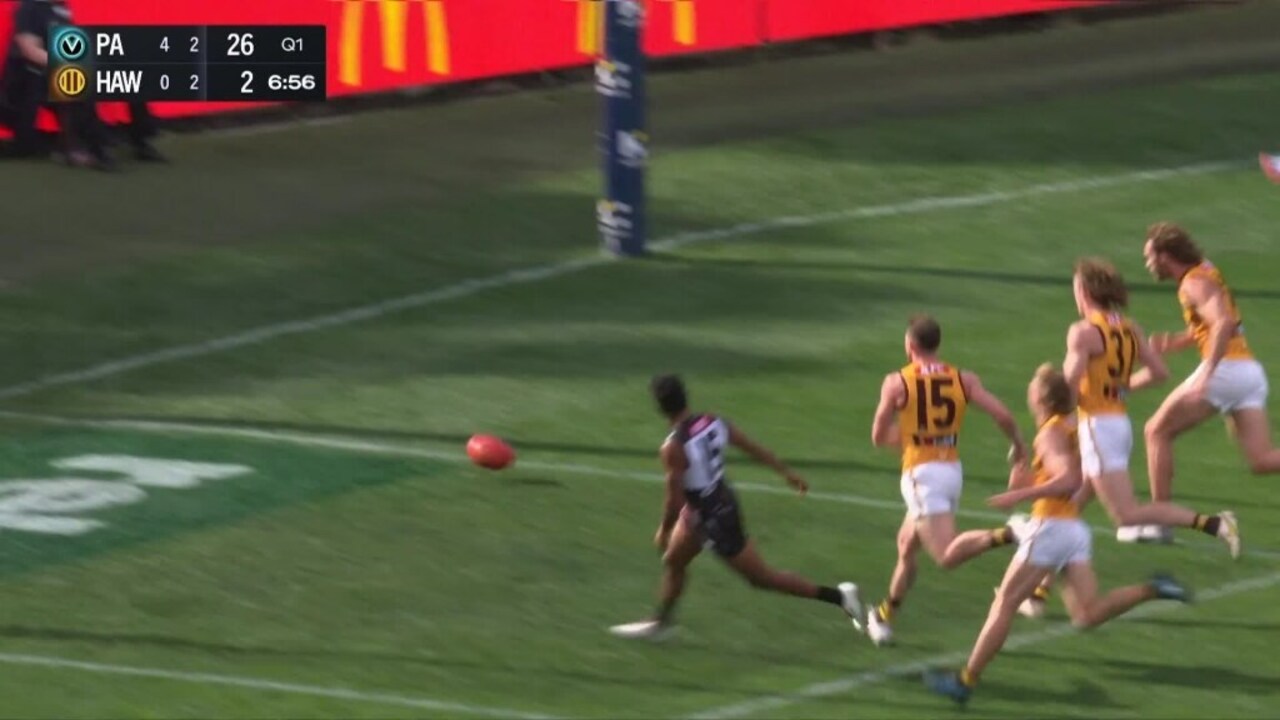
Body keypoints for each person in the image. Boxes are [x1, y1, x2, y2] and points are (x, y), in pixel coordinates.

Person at [923, 363, 1192, 705]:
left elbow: (1068, 479)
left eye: (1033, 388)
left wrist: (1018, 496)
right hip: (1073, 531)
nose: (1029, 392)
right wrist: (1023, 475)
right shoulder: (1075, 425)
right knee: (1087, 614)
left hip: (1049, 528)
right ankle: (1153, 588)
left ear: (1042, 399)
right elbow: (1078, 475)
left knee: (1004, 604)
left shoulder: (1050, 433)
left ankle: (965, 681)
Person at [1021, 258, 1239, 618]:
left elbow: (1070, 390)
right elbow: (1158, 372)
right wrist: (1119, 390)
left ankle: (1214, 524)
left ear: (1086, 291)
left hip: (1095, 429)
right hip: (1117, 424)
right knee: (1068, 506)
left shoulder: (1082, 332)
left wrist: (1058, 426)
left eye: (1076, 288)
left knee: (1126, 515)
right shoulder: (1130, 328)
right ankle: (1038, 591)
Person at [609, 374, 865, 641]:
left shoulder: (673, 447)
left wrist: (663, 530)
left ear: (660, 408)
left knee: (762, 579)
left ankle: (841, 597)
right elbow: (752, 447)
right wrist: (785, 472)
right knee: (674, 561)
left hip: (714, 518)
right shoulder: (712, 421)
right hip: (712, 503)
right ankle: (661, 622)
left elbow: (673, 498)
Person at [865, 314, 1028, 646]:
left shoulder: (897, 382)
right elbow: (1003, 415)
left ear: (910, 346)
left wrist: (910, 438)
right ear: (937, 345)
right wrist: (1019, 448)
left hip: (921, 475)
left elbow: (879, 436)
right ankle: (884, 616)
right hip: (951, 471)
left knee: (945, 555)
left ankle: (1012, 532)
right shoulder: (963, 379)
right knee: (906, 546)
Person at [1142, 223, 1277, 534]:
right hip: (1249, 373)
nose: (1148, 264)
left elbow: (1223, 323)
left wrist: (1207, 371)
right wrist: (1177, 341)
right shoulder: (1204, 273)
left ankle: (1161, 523)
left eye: (1150, 257)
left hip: (1227, 369)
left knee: (1156, 432)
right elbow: (1211, 323)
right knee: (1262, 459)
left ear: (1165, 255)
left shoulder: (1194, 282)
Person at [0, 0, 163, 168]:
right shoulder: (31, 8)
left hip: (59, 72)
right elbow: (29, 50)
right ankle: (96, 150)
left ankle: (142, 142)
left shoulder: (62, 8)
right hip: (32, 79)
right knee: (78, 79)